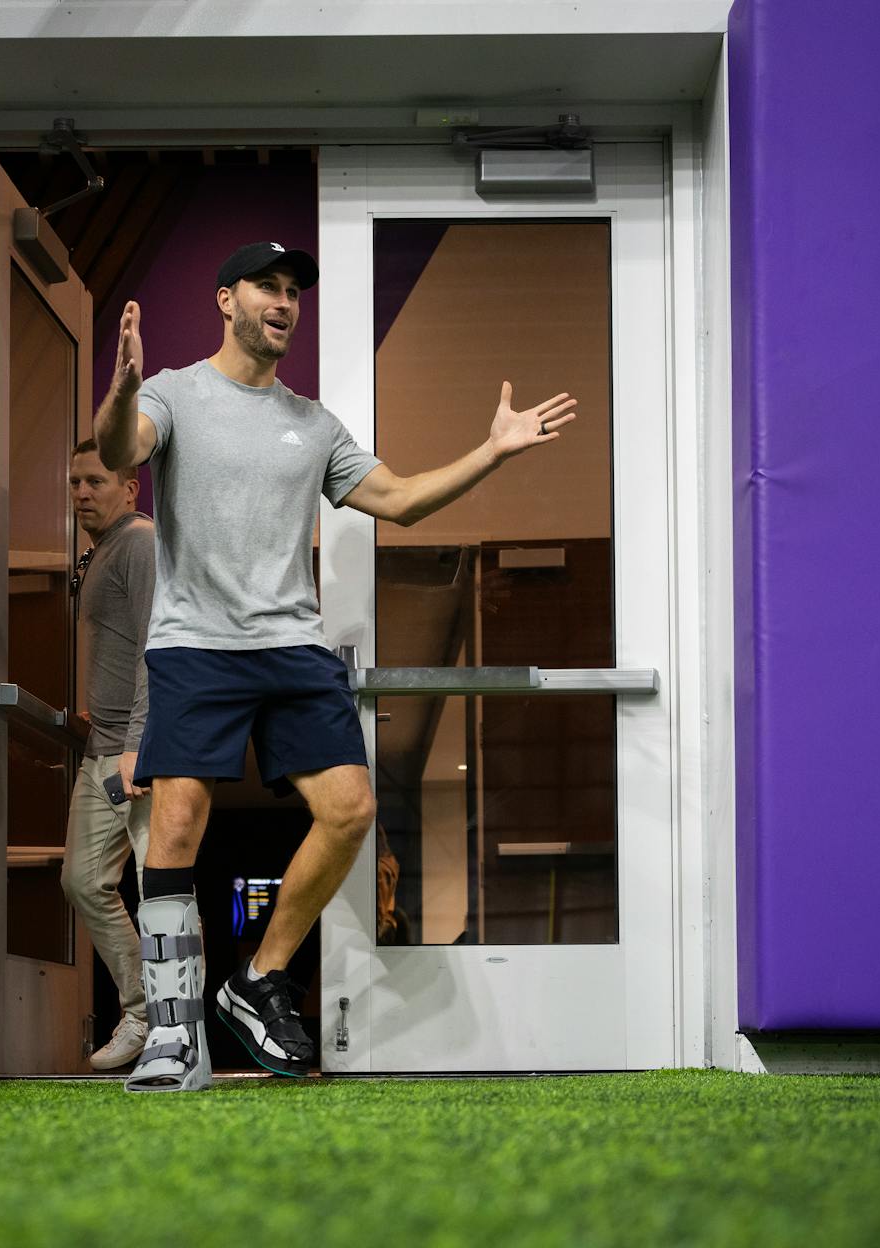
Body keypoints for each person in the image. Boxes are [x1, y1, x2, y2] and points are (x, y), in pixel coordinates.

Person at [94, 240, 578, 1092]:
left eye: (293, 292)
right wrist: (126, 382)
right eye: (267, 288)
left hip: (290, 645)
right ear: (225, 300)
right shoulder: (173, 392)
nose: (284, 302)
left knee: (350, 810)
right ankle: (173, 1032)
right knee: (174, 830)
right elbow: (120, 453)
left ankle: (256, 978)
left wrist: (492, 451)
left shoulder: (314, 424)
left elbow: (400, 499)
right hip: (196, 644)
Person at [59, 439, 156, 1071]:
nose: (82, 493)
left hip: (140, 754)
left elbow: (159, 646)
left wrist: (137, 744)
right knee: (83, 881)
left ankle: (181, 1026)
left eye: (95, 481)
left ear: (130, 487)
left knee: (166, 891)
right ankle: (145, 1012)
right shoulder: (100, 551)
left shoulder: (141, 543)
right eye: (74, 483)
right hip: (103, 748)